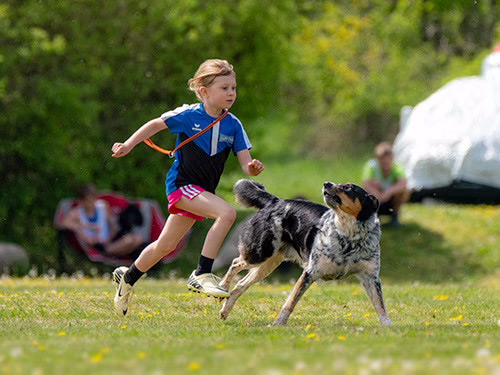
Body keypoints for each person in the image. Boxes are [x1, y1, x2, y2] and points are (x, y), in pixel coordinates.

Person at [110, 59, 264, 315]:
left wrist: (253, 169)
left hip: (201, 193)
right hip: (182, 186)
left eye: (234, 88)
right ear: (204, 91)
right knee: (227, 213)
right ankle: (202, 273)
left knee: (164, 246)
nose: (231, 93)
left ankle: (128, 277)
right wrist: (128, 145)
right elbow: (155, 124)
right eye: (224, 88)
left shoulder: (234, 125)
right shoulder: (189, 114)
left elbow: (246, 163)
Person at [58, 184, 145, 256]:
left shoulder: (102, 206)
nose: (92, 203)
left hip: (107, 241)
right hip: (94, 244)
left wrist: (111, 236)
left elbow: (111, 225)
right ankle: (108, 251)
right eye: (89, 200)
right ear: (81, 201)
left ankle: (108, 250)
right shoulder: (77, 212)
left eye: (94, 199)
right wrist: (83, 227)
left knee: (137, 239)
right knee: (128, 241)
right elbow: (62, 224)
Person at [361, 142, 410, 227]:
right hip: (376, 198)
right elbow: (366, 184)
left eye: (388, 159)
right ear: (378, 159)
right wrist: (377, 194)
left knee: (404, 191)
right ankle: (374, 215)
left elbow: (403, 183)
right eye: (382, 159)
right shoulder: (372, 167)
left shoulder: (397, 167)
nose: (385, 162)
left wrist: (388, 192)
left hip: (390, 199)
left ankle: (395, 214)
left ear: (392, 158)